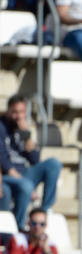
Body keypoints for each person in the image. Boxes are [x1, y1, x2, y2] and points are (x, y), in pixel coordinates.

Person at [0, 96, 63, 228]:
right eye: (15, 112)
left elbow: (35, 160)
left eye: (22, 112)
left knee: (53, 164)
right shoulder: (2, 127)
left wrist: (27, 137)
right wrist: (26, 183)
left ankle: (44, 211)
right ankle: (19, 228)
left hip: (25, 173)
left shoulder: (23, 129)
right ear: (8, 111)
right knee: (26, 186)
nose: (19, 116)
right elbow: (4, 162)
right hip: (7, 176)